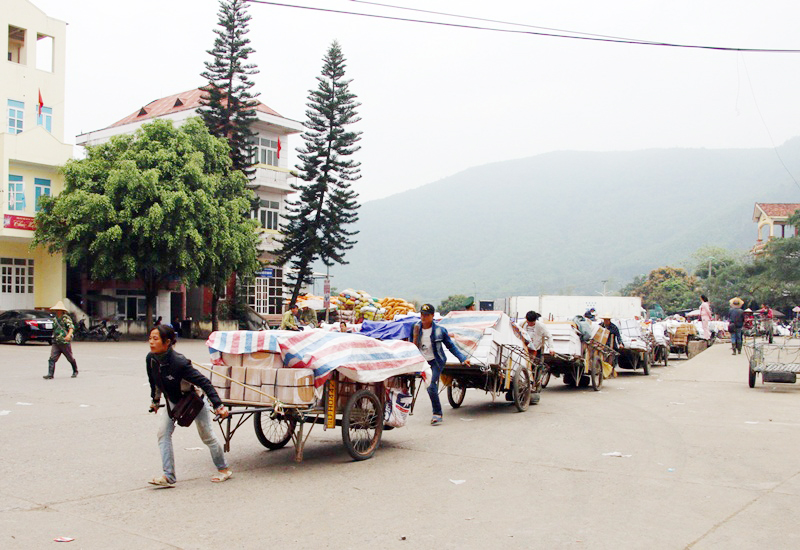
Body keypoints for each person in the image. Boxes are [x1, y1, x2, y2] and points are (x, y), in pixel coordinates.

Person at [146, 324, 231, 487]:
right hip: (173, 400)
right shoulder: (151, 359)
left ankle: (224, 469)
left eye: (155, 339)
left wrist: (218, 405)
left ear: (167, 342)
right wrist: (155, 401)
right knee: (163, 434)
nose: (151, 342)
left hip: (193, 400)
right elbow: (154, 381)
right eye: (150, 338)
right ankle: (168, 476)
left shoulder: (179, 363)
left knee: (207, 436)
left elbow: (204, 382)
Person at [410, 304, 470, 425]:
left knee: (431, 386)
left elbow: (451, 346)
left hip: (436, 361)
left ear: (432, 316)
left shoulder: (440, 330)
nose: (424, 317)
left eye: (427, 315)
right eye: (422, 314)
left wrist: (463, 359)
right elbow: (411, 345)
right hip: (422, 361)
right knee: (409, 381)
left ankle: (437, 413)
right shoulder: (415, 327)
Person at [517, 310, 553, 404]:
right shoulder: (522, 324)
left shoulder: (541, 326)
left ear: (535, 321)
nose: (530, 324)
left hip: (537, 349)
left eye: (532, 323)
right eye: (528, 322)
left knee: (535, 367)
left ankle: (534, 385)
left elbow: (549, 336)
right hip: (525, 348)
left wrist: (551, 348)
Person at [44, 301, 78, 379]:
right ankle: (50, 374)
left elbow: (71, 327)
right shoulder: (55, 319)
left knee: (69, 357)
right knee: (52, 358)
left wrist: (69, 335)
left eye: (59, 310)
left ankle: (75, 371)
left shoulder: (65, 318)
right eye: (57, 310)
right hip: (56, 341)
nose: (57, 311)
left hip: (64, 341)